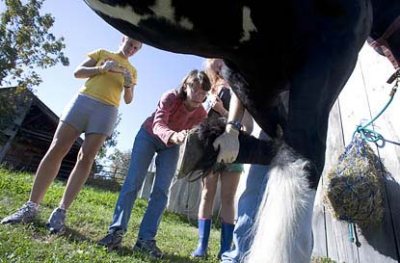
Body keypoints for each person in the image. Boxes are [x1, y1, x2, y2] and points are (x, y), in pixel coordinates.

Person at [1, 36, 142, 234]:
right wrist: (100, 69)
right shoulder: (102, 53)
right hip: (83, 101)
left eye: (136, 48)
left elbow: (128, 100)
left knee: (87, 157)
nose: (131, 49)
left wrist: (128, 84)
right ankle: (30, 207)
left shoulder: (132, 71)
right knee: (57, 148)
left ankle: (60, 211)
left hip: (107, 110)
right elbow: (78, 72)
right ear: (122, 40)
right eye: (129, 44)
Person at [98, 69, 211, 259]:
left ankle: (145, 240)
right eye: (196, 89)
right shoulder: (170, 97)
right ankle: (115, 233)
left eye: (203, 92)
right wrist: (173, 135)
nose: (199, 95)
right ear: (186, 86)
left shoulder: (201, 113)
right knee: (133, 182)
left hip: (172, 146)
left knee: (161, 191)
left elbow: (196, 137)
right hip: (149, 136)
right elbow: (158, 123)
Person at [191, 58, 252, 259]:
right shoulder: (205, 87)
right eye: (216, 61)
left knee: (227, 198)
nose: (220, 64)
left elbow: (248, 127)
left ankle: (225, 248)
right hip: (209, 148)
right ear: (208, 62)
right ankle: (201, 246)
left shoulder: (239, 87)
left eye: (224, 60)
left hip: (232, 149)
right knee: (207, 193)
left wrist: (223, 111)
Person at [220, 131, 269, 263]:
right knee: (254, 192)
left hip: (304, 132)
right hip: (270, 131)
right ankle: (237, 256)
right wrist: (232, 129)